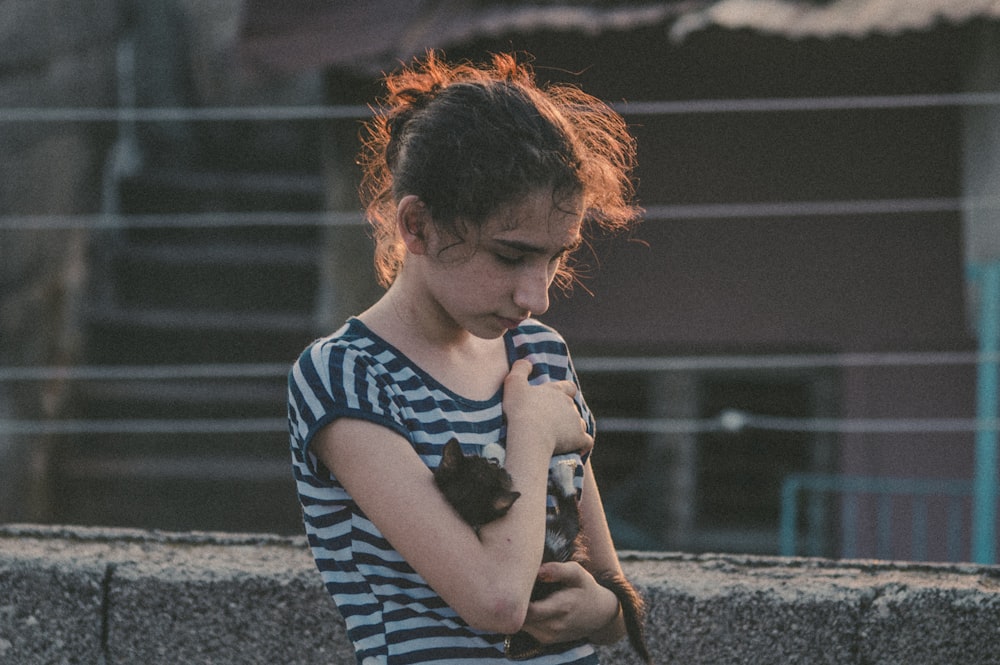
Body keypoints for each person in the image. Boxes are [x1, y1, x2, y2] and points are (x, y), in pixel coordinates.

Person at [288, 51, 640, 664]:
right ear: (418, 226)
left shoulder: (539, 355)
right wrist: (530, 432)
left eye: (557, 257)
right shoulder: (344, 376)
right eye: (511, 256)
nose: (538, 296)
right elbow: (495, 605)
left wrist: (606, 612)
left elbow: (610, 588)